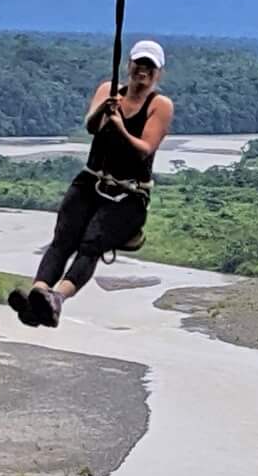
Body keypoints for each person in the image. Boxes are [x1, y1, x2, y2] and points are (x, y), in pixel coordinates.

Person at [10, 39, 175, 327]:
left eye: (150, 67)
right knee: (62, 239)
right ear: (130, 65)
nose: (143, 71)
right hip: (92, 180)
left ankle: (57, 298)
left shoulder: (160, 105)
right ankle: (37, 295)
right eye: (139, 64)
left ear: (158, 73)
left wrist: (120, 126)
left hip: (128, 194)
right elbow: (91, 126)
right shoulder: (108, 90)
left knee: (90, 245)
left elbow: (144, 149)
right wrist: (105, 112)